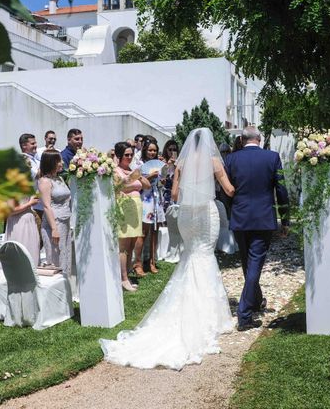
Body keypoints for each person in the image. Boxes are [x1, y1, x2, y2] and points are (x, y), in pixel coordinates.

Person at [100, 128, 235, 369]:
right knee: (204, 254)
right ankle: (208, 315)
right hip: (205, 213)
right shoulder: (213, 161)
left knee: (191, 254)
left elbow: (174, 193)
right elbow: (229, 189)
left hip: (185, 215)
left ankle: (191, 307)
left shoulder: (182, 162)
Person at [226, 126, 289, 331]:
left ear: (243, 140)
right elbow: (281, 188)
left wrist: (230, 213)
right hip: (263, 217)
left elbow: (226, 191)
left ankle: (255, 300)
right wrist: (285, 218)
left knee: (247, 261)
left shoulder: (231, 159)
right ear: (259, 139)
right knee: (255, 263)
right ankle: (244, 315)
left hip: (240, 217)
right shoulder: (272, 158)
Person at [113, 142, 149, 291]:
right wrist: (131, 180)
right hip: (124, 207)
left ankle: (126, 273)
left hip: (136, 208)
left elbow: (147, 185)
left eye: (131, 154)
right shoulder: (115, 170)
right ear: (119, 155)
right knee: (123, 245)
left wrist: (136, 177)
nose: (129, 157)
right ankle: (123, 278)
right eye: (126, 154)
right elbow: (118, 187)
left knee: (131, 244)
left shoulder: (132, 170)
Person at [133, 138, 165, 276]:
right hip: (145, 199)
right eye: (150, 150)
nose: (153, 152)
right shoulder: (139, 164)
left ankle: (152, 261)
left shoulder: (159, 164)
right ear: (145, 150)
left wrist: (161, 180)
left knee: (155, 231)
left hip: (157, 198)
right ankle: (138, 263)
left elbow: (161, 182)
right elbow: (138, 182)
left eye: (155, 150)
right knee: (143, 232)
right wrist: (151, 176)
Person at [38, 150, 72, 275]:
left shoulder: (59, 178)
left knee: (65, 255)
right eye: (58, 161)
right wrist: (54, 229)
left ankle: (67, 287)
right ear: (51, 162)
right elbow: (46, 206)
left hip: (65, 221)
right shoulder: (45, 181)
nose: (62, 163)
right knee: (56, 256)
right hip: (55, 222)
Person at [4, 194, 41, 267]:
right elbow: (11, 210)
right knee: (21, 251)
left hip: (29, 222)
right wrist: (30, 203)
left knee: (31, 251)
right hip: (19, 223)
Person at [161, 139, 179, 211]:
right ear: (166, 150)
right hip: (165, 194)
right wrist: (167, 165)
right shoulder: (162, 162)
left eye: (174, 150)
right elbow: (162, 178)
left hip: (176, 194)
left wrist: (176, 165)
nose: (172, 152)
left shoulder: (180, 163)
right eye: (170, 149)